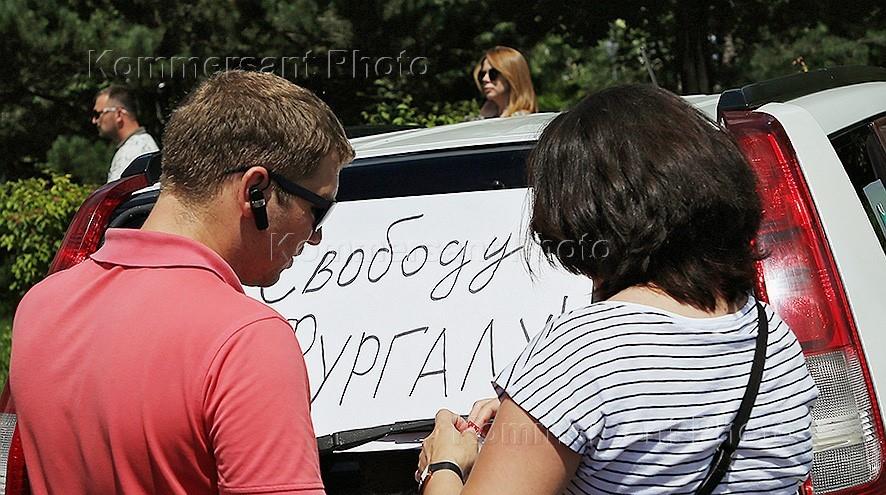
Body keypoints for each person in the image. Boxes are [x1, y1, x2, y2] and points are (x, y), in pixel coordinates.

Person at [417, 85, 818, 494]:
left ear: (578, 212)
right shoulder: (772, 334)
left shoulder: (581, 355)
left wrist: (443, 463)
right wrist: (541, 414)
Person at [10, 70, 354, 494]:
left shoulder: (40, 306)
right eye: (318, 209)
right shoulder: (246, 340)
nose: (316, 236)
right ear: (256, 190)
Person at [91, 85, 160, 182]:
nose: (94, 120)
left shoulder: (132, 152)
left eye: (98, 114)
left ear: (118, 114)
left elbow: (116, 192)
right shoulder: (141, 144)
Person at [472, 46, 537, 118]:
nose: (485, 79)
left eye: (493, 74)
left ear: (512, 76)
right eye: (482, 74)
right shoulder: (483, 116)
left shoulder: (523, 119)